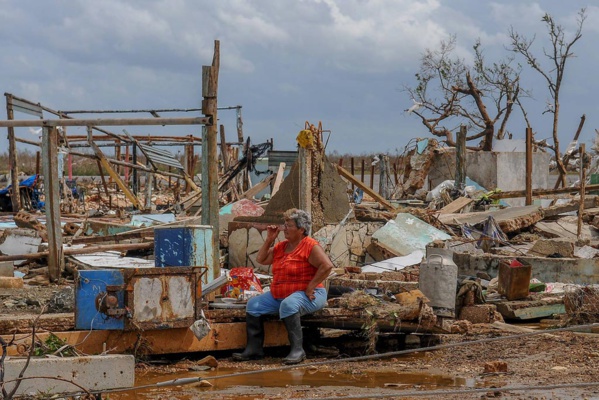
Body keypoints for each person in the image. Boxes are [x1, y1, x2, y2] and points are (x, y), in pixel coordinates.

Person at [232, 208, 333, 365]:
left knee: (289, 304)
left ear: (301, 229)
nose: (285, 228)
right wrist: (269, 239)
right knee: (253, 305)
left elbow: (326, 266)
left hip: (309, 294)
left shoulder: (310, 246)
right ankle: (254, 349)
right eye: (285, 224)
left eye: (289, 225)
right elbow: (261, 259)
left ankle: (297, 350)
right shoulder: (281, 246)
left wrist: (311, 286)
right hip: (280, 294)